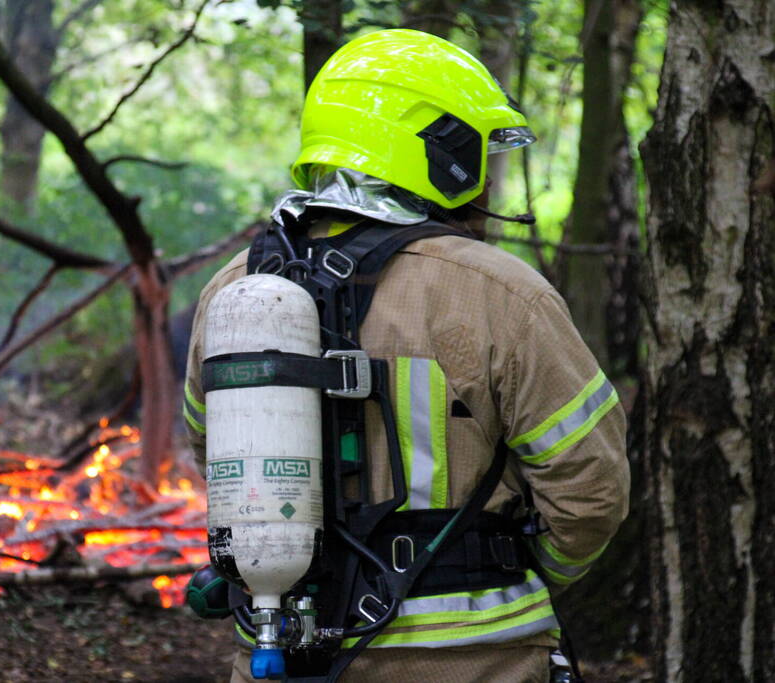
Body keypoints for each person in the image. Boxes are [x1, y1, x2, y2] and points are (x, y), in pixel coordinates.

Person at [183, 29, 629, 683]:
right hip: (473, 661)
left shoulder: (230, 290)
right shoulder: (499, 291)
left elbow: (212, 456)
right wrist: (512, 569)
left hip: (278, 656)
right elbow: (590, 491)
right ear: (440, 152)